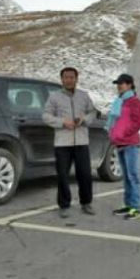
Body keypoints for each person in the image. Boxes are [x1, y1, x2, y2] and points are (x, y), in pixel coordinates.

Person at [42, 67, 98, 218]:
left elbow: (92, 112)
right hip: (62, 143)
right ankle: (64, 205)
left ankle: (86, 203)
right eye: (66, 77)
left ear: (76, 79)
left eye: (71, 77)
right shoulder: (54, 97)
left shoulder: (84, 96)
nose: (69, 80)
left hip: (81, 142)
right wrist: (62, 122)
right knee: (62, 176)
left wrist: (83, 120)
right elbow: (46, 116)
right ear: (62, 79)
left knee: (85, 174)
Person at [106, 74, 140, 220]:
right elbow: (115, 121)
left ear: (129, 85)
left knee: (133, 175)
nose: (119, 86)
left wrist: (124, 133)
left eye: (121, 84)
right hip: (119, 143)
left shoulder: (134, 102)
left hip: (130, 143)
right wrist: (113, 134)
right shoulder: (119, 101)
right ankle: (129, 205)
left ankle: (136, 208)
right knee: (126, 177)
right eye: (118, 84)